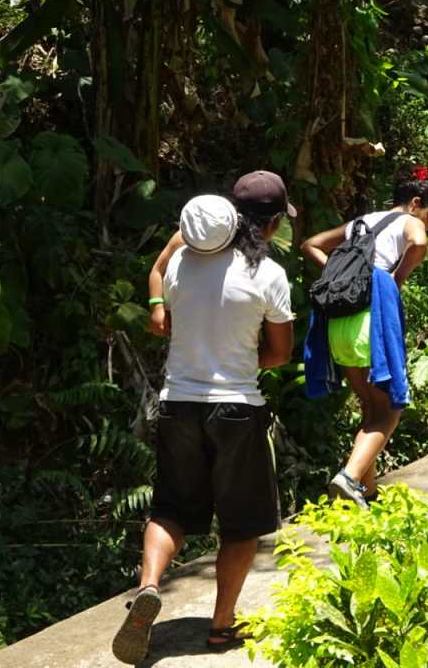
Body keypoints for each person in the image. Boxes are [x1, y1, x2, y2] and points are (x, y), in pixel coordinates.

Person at [112, 171, 296, 664]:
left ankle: (149, 586)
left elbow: (163, 265)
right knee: (240, 524)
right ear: (273, 223)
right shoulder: (270, 276)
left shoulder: (180, 265)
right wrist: (236, 357)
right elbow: (279, 354)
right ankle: (221, 629)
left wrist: (158, 309)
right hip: (237, 408)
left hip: (178, 404)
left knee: (169, 508)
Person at [300, 168, 428, 507]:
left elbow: (310, 245)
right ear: (415, 203)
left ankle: (369, 490)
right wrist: (397, 276)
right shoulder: (409, 222)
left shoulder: (361, 223)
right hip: (371, 324)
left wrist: (339, 274)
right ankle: (349, 477)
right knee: (389, 410)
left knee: (369, 408)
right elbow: (419, 243)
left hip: (340, 326)